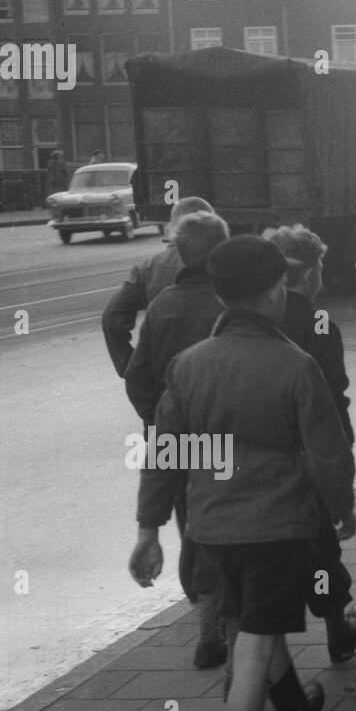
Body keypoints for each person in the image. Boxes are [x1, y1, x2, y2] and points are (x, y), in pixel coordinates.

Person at [129, 236, 355, 711]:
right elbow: (328, 454)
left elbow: (164, 455)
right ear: (278, 292)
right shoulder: (295, 366)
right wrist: (342, 509)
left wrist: (150, 529)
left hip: (209, 532)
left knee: (253, 629)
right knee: (254, 646)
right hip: (276, 530)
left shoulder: (189, 365)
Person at [125, 210, 232, 669]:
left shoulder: (164, 304)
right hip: (232, 433)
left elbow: (137, 376)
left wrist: (161, 416)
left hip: (183, 435)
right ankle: (228, 616)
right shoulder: (230, 302)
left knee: (195, 526)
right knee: (236, 523)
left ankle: (209, 614)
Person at [264, 224, 356, 665]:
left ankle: (268, 653)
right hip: (309, 458)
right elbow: (333, 394)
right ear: (309, 274)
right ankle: (336, 628)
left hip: (263, 457)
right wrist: (341, 470)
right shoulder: (319, 321)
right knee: (321, 547)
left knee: (273, 554)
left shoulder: (260, 317)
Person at [102, 194, 214, 376]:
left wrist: (130, 368)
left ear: (171, 227)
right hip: (209, 375)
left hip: (163, 374)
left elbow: (111, 317)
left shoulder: (147, 268)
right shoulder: (224, 262)